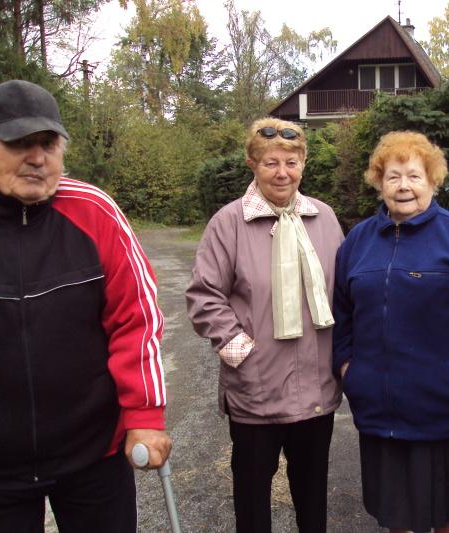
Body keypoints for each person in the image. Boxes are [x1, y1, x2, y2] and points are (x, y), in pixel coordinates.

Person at [0, 79, 171, 531]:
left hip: (92, 453)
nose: (37, 158)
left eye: (48, 144)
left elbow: (137, 318)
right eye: (18, 143)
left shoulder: (93, 210)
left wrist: (144, 414)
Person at [333, 131, 449, 533]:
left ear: (432, 181)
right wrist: (348, 369)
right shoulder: (357, 241)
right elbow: (341, 311)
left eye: (414, 176)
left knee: (447, 509)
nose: (403, 186)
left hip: (445, 402)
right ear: (379, 182)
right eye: (393, 176)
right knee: (395, 511)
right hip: (380, 405)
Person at [185, 117, 343, 533]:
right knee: (252, 502)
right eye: (271, 162)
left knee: (312, 496)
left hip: (316, 390)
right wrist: (243, 353)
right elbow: (204, 295)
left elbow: (344, 291)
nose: (282, 173)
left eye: (291, 162)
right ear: (252, 164)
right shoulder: (229, 223)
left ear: (303, 163)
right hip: (256, 392)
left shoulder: (324, 219)